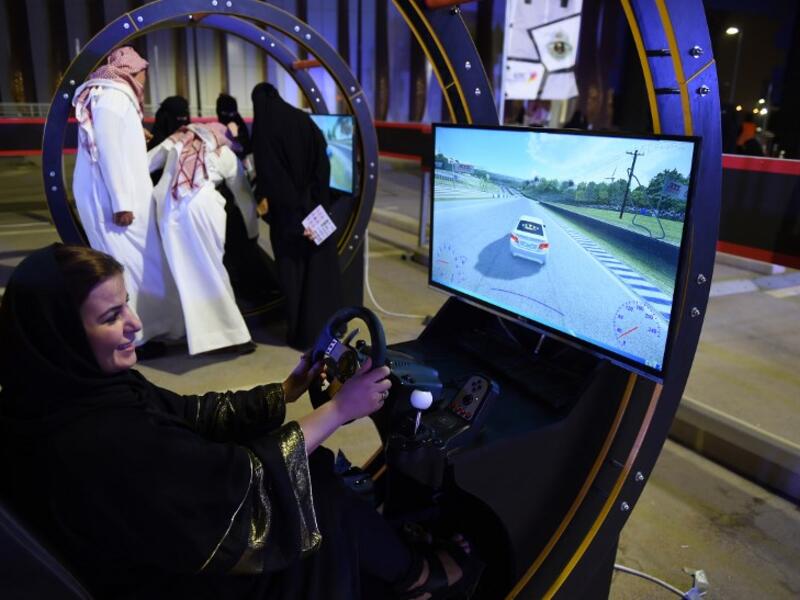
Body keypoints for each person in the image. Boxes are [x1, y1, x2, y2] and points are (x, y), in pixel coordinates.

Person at [0, 244, 483, 599]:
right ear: (62, 333)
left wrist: (286, 391)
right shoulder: (97, 434)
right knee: (316, 492)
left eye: (126, 302)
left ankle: (397, 564)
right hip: (170, 579)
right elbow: (238, 485)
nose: (135, 323)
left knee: (310, 473)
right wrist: (338, 410)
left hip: (146, 544)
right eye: (110, 316)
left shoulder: (69, 387)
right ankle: (417, 577)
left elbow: (189, 414)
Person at [71, 46, 184, 348]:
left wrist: (135, 132)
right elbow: (108, 150)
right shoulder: (112, 96)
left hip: (125, 198)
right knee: (126, 267)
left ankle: (152, 329)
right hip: (115, 203)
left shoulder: (117, 97)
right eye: (143, 71)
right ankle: (136, 338)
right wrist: (121, 204)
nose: (145, 78)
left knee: (144, 264)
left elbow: (117, 142)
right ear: (132, 70)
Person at [148, 123, 258, 355]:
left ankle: (194, 333)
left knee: (183, 275)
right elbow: (242, 193)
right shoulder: (223, 152)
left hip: (169, 211)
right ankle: (234, 336)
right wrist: (252, 230)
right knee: (213, 271)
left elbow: (146, 163)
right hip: (202, 208)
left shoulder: (177, 142)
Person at [251, 82, 344, 350]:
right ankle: (328, 331)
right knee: (320, 274)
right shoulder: (303, 120)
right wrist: (318, 205)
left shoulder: (265, 128)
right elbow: (323, 166)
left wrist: (289, 217)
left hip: (288, 220)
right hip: (315, 211)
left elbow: (272, 179)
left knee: (293, 278)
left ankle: (300, 336)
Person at [217, 92, 252, 159]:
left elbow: (242, 148)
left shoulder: (234, 124)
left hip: (236, 159)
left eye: (232, 113)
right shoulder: (238, 120)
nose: (230, 115)